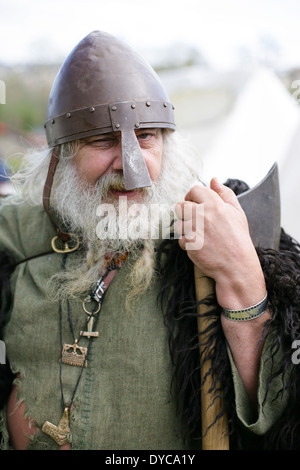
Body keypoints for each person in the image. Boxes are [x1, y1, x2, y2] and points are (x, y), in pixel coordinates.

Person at [0, 31, 299, 451]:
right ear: (62, 155)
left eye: (146, 137)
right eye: (103, 139)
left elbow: (275, 412)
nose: (132, 167)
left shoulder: (203, 240)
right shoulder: (16, 234)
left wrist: (241, 274)